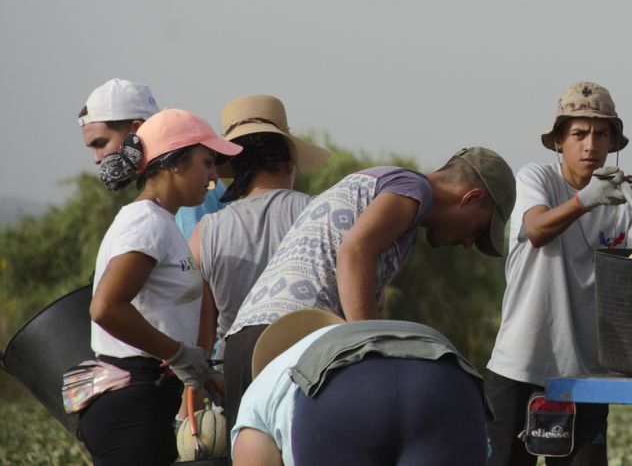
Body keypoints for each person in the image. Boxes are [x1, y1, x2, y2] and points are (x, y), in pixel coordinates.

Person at [223, 145, 514, 414]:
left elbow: (348, 260)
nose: (467, 243)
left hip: (247, 338)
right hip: (292, 341)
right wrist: (370, 355)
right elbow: (355, 251)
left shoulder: (380, 183)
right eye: (478, 230)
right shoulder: (413, 188)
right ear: (471, 197)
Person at [484, 81, 632, 465]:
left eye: (601, 134)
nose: (591, 145)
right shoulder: (537, 179)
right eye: (579, 133)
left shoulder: (619, 197)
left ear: (612, 143)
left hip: (585, 376)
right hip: (520, 367)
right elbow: (536, 230)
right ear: (559, 142)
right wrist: (585, 200)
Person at [78, 108, 242, 466]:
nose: (213, 176)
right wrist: (180, 354)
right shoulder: (146, 223)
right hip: (133, 401)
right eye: (207, 162)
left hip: (150, 395)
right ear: (173, 164)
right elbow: (106, 308)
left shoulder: (163, 221)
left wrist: (199, 370)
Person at [190, 94, 332, 428]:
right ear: (288, 162)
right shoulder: (320, 213)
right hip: (313, 368)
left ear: (235, 168)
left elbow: (202, 336)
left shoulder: (205, 232)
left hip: (240, 375)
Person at [232, 308, 491, 466]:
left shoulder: (262, 391)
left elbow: (254, 458)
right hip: (448, 379)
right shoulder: (341, 338)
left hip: (340, 396)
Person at [77, 77, 227, 235]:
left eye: (101, 143)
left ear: (137, 129)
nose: (97, 159)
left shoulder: (186, 185)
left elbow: (193, 259)